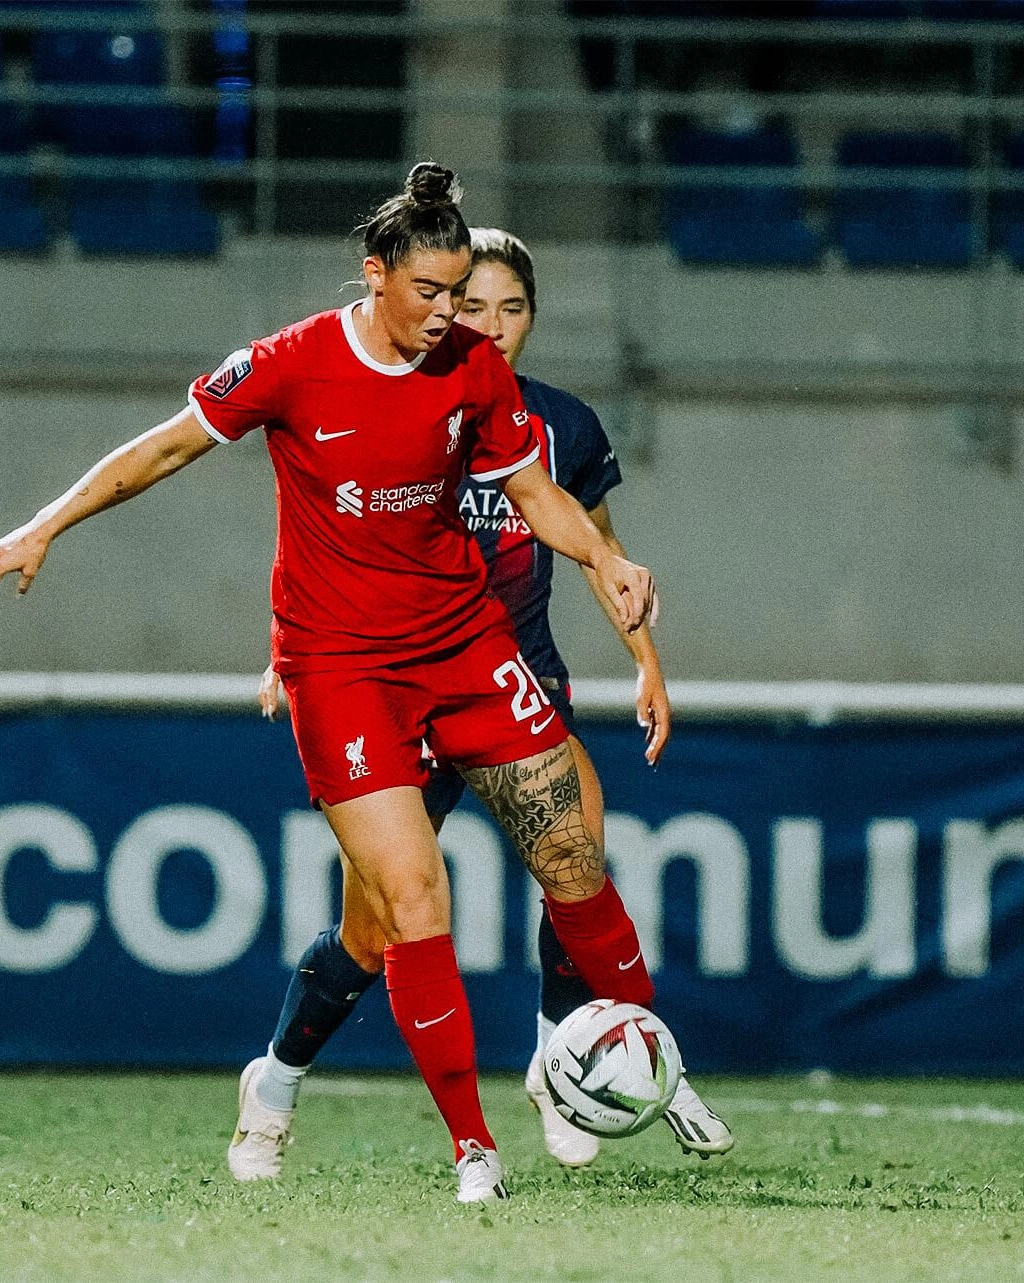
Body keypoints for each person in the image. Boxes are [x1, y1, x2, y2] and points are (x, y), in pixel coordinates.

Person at [0, 162, 657, 1205]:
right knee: (402, 903)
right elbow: (164, 447)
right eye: (430, 293)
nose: (450, 314)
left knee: (572, 847)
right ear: (374, 274)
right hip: (341, 668)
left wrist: (600, 558)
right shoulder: (292, 363)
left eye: (463, 293)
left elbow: (530, 488)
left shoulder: (471, 368)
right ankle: (463, 1145)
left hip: (463, 646)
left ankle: (656, 1067)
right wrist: (43, 523)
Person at [234, 229, 734, 1181]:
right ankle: (280, 1075)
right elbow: (322, 529)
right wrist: (286, 657)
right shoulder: (405, 391)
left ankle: (594, 1061)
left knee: (574, 860)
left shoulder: (558, 424)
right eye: (473, 307)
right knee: (376, 928)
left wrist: (647, 661)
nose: (490, 327)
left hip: (510, 669)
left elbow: (597, 542)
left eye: (512, 310)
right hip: (384, 679)